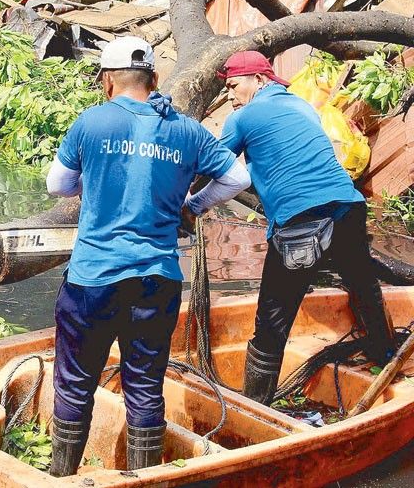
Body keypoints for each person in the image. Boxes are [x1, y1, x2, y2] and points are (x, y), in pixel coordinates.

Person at [45, 36, 251, 476]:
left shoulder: (92, 122)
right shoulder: (186, 128)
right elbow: (237, 176)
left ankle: (61, 479)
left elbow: (57, 185)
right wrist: (191, 205)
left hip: (92, 280)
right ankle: (145, 481)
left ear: (107, 81)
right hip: (157, 280)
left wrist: (94, 184)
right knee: (144, 387)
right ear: (154, 79)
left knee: (75, 384)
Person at [217, 50, 397, 406]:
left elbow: (217, 168)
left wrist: (187, 204)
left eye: (234, 85)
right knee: (364, 286)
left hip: (301, 221)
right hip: (349, 207)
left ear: (259, 79)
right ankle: (386, 360)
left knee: (272, 317)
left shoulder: (243, 118)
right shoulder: (302, 106)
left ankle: (255, 405)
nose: (230, 95)